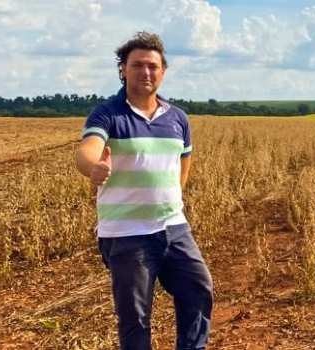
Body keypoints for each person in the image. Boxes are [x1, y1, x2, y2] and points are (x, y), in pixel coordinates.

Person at [74, 31, 213, 350]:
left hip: (174, 228)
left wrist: (171, 200)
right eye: (137, 65)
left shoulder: (177, 118)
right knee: (135, 318)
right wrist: (93, 166)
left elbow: (183, 162)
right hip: (126, 233)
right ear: (122, 69)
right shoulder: (108, 113)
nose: (146, 72)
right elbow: (87, 149)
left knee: (198, 289)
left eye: (153, 66)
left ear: (163, 71)